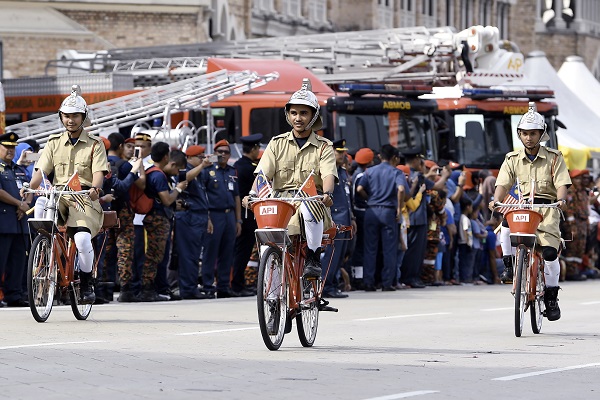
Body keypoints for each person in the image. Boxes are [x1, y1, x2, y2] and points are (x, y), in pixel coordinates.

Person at [245, 79, 337, 280]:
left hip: (312, 201)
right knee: (267, 241)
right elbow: (262, 175)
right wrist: (252, 195)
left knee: (308, 207)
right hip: (281, 203)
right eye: (294, 113)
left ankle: (313, 258)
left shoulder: (324, 146)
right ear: (288, 115)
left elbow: (329, 174)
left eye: (304, 113)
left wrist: (327, 194)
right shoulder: (276, 144)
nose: (298, 118)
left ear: (313, 117)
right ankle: (271, 291)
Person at [26, 85, 109, 304]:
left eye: (75, 116)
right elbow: (40, 174)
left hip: (84, 198)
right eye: (66, 116)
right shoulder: (53, 143)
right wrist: (28, 187)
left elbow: (99, 174)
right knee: (42, 200)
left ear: (83, 117)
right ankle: (42, 247)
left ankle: (86, 282)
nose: (70, 120)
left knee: (81, 239)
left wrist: (95, 189)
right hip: (59, 196)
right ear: (61, 117)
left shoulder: (95, 144)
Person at [489, 102, 571, 321]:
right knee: (506, 224)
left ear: (541, 134)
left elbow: (562, 183)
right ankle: (508, 266)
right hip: (524, 207)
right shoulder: (512, 159)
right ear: (519, 134)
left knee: (551, 255)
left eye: (533, 133)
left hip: (548, 210)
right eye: (524, 133)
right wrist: (496, 201)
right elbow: (503, 184)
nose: (528, 138)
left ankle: (551, 298)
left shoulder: (555, 158)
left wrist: (561, 200)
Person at [356, 144, 409, 291]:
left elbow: (359, 189)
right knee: (389, 249)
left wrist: (369, 199)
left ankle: (368, 282)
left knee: (370, 248)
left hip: (371, 211)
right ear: (394, 158)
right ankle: (387, 283)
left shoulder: (370, 171)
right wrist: (399, 208)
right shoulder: (396, 173)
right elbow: (401, 189)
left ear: (379, 156)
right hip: (388, 212)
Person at [139, 143, 187, 301]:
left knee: (157, 255)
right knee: (154, 256)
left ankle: (155, 288)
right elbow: (166, 200)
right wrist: (178, 189)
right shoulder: (158, 175)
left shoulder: (155, 173)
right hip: (157, 219)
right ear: (166, 157)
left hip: (157, 218)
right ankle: (147, 290)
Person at [200, 139, 242, 298]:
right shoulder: (208, 170)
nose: (223, 154)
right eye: (220, 152)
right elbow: (203, 195)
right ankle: (208, 285)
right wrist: (208, 217)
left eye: (226, 152)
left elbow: (237, 197)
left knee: (227, 251)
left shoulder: (232, 171)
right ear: (215, 153)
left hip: (229, 215)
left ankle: (224, 286)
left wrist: (238, 220)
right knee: (211, 251)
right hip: (214, 214)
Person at [175, 145, 213, 299]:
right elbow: (184, 178)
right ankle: (188, 289)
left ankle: (191, 287)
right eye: (199, 156)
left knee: (196, 254)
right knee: (188, 255)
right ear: (189, 158)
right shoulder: (186, 169)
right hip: (189, 217)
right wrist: (202, 166)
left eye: (203, 156)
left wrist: (208, 218)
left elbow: (204, 196)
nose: (202, 159)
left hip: (200, 216)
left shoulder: (201, 173)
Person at [0, 132, 32, 307]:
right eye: (7, 147)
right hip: (3, 223)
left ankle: (14, 295)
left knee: (18, 260)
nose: (11, 150)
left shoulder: (19, 170)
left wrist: (25, 203)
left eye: (13, 147)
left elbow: (28, 190)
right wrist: (18, 204)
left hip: (20, 223)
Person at [321, 138, 356, 298]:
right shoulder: (327, 171)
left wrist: (352, 218)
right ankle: (326, 286)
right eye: (339, 152)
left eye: (343, 152)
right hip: (334, 217)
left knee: (340, 255)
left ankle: (333, 284)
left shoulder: (341, 171)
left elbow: (347, 197)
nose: (342, 155)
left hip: (345, 218)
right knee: (331, 255)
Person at [231, 133, 263, 297]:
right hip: (247, 215)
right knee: (242, 251)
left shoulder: (238, 164)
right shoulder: (250, 168)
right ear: (254, 148)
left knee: (242, 251)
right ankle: (237, 284)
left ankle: (239, 282)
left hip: (244, 214)